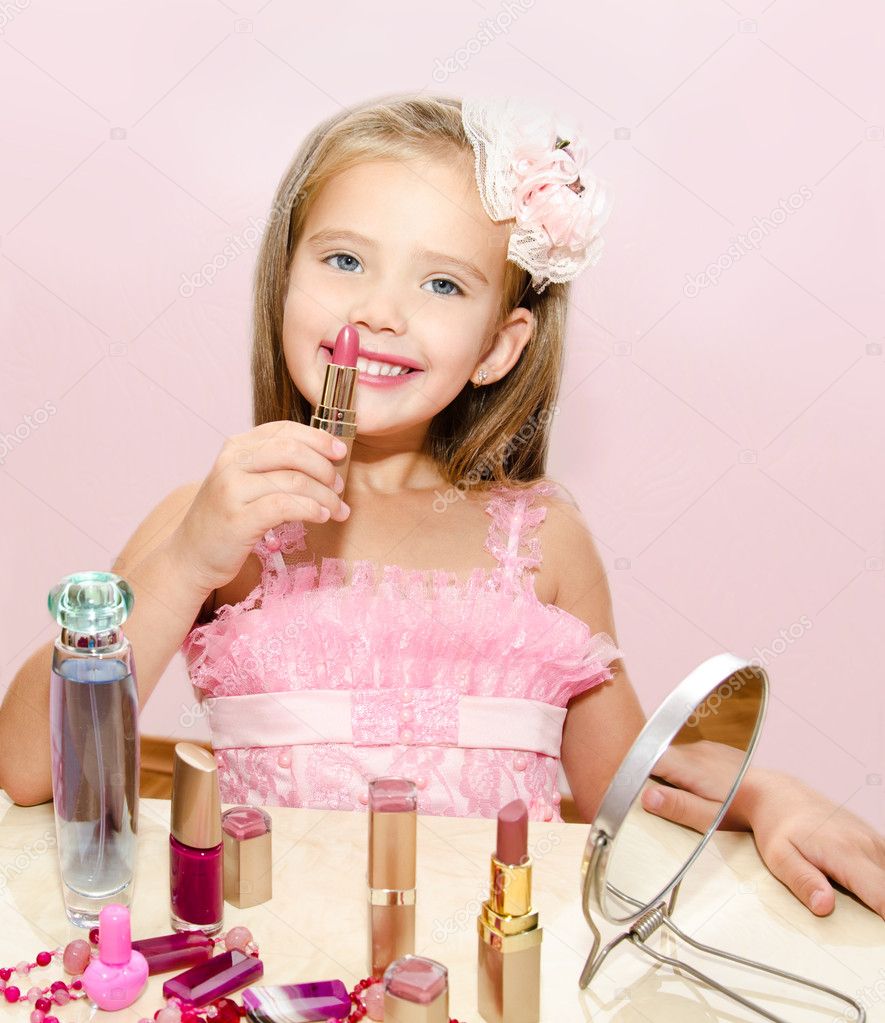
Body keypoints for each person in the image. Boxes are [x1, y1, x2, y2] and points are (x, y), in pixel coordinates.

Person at [1, 94, 882, 921]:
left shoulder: (543, 543)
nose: (378, 311)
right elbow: (30, 768)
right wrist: (187, 558)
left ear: (500, 346)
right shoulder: (211, 520)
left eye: (442, 285)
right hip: (274, 960)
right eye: (344, 260)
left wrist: (771, 796)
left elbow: (626, 782)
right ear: (282, 282)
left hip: (493, 967)